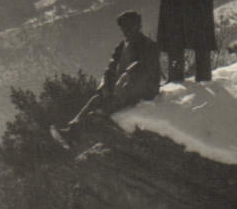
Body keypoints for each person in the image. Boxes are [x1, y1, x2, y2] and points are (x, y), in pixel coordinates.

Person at [55, 9, 162, 147]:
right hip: (125, 89)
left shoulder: (149, 46)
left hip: (143, 91)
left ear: (138, 26)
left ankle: (78, 138)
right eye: (123, 28)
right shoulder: (122, 46)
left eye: (129, 27)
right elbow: (110, 68)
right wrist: (104, 86)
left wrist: (121, 89)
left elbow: (140, 72)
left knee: (99, 113)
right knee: (96, 100)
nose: (126, 31)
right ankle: (71, 131)